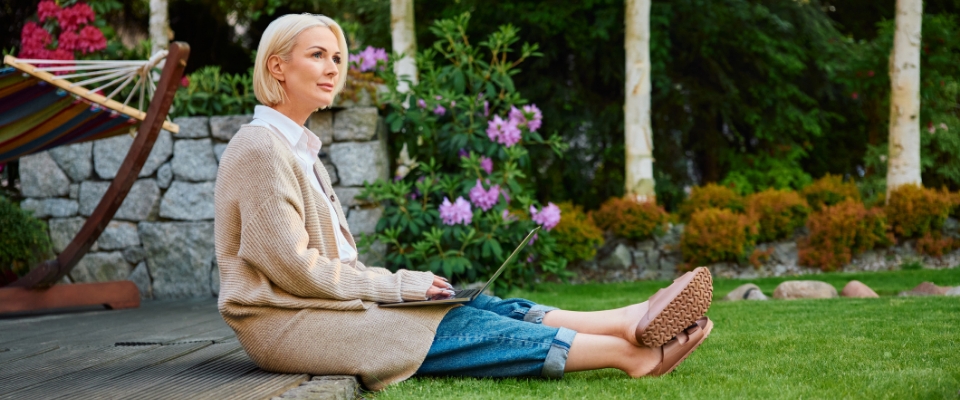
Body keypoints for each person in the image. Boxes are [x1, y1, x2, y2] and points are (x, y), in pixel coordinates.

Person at [214, 13, 715, 391]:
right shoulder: (260, 147)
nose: (332, 69)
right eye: (317, 55)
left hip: (318, 310)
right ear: (276, 65)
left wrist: (400, 289)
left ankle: (627, 319)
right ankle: (629, 353)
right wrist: (398, 286)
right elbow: (294, 268)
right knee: (451, 322)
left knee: (472, 303)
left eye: (338, 58)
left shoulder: (298, 149)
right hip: (288, 323)